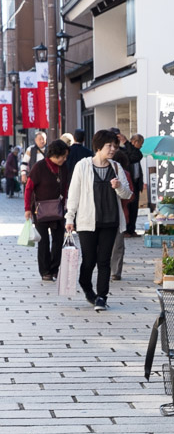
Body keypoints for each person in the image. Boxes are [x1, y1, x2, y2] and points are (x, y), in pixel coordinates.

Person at [65, 130, 133, 311]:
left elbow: (128, 194)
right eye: (109, 146)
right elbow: (74, 193)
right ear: (98, 147)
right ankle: (86, 285)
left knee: (104, 261)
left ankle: (102, 296)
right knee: (89, 260)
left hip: (110, 221)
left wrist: (118, 187)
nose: (112, 149)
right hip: (87, 221)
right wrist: (70, 217)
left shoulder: (117, 167)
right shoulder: (83, 166)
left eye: (115, 146)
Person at [24, 140, 70, 280]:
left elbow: (67, 187)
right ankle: (45, 272)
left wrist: (69, 204)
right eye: (62, 156)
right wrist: (27, 209)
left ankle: (54, 268)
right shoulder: (39, 167)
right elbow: (28, 188)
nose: (64, 159)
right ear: (54, 154)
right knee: (43, 242)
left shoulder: (64, 167)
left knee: (58, 240)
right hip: (40, 210)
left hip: (59, 210)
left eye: (66, 156)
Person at [108, 149, 135, 281]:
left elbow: (128, 193)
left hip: (111, 211)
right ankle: (115, 271)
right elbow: (130, 196)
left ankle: (108, 269)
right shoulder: (125, 173)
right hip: (121, 210)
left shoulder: (122, 173)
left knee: (110, 242)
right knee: (118, 243)